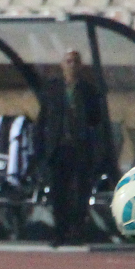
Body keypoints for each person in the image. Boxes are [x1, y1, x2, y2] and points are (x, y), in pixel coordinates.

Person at [36, 49, 103, 246]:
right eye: (68, 61)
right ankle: (60, 232)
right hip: (58, 148)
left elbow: (96, 121)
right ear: (62, 64)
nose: (71, 65)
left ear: (80, 65)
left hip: (80, 148)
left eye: (75, 61)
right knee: (59, 193)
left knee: (80, 192)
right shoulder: (52, 89)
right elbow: (43, 119)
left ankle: (77, 231)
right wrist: (40, 147)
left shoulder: (88, 91)